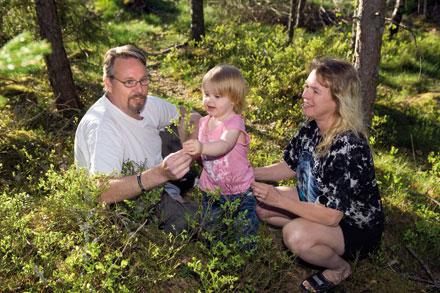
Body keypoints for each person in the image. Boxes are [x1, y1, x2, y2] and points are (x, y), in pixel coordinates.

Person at [251, 58, 384, 292]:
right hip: (316, 202)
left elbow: (332, 216)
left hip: (352, 227)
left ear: (338, 100)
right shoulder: (312, 126)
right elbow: (289, 166)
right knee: (263, 208)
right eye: (306, 87)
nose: (305, 94)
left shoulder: (349, 146)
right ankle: (313, 231)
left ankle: (339, 268)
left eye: (315, 90)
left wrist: (280, 200)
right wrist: (250, 173)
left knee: (295, 236)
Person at [74, 44, 199, 204]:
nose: (139, 90)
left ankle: (179, 182)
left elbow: (191, 116)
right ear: (108, 83)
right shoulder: (102, 126)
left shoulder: (147, 104)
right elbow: (101, 193)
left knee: (178, 126)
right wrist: (160, 174)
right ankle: (177, 189)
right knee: (213, 222)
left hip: (155, 181)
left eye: (143, 80)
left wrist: (189, 153)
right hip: (128, 209)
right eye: (129, 82)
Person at [183, 64, 259, 243]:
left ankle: (245, 258)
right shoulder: (204, 122)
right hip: (211, 188)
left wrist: (201, 147)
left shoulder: (234, 124)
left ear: (234, 99)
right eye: (206, 94)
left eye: (217, 96)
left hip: (240, 190)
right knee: (210, 229)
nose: (209, 100)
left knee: (245, 230)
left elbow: (224, 145)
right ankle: (214, 256)